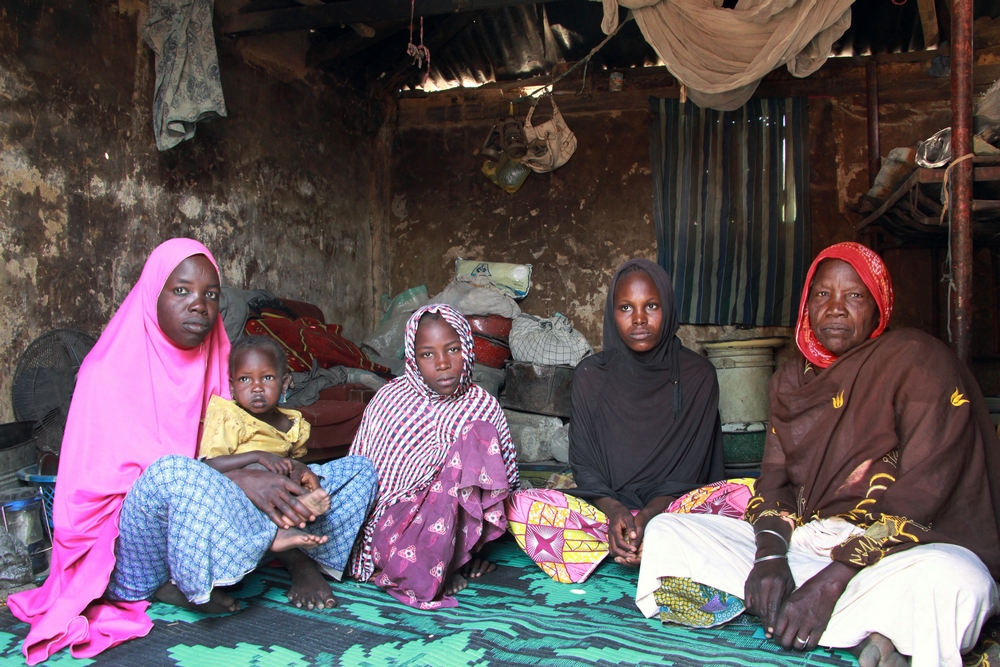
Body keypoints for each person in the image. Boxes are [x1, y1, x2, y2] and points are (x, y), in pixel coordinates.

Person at [8, 239, 377, 664]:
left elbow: (248, 443)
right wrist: (239, 477)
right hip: (136, 552)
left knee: (357, 471)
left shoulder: (219, 362)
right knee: (172, 472)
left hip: (216, 528)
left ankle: (293, 554)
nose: (199, 305)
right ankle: (268, 555)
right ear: (153, 294)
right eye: (181, 290)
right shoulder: (105, 374)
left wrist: (287, 472)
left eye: (211, 294)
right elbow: (107, 498)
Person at [636, 242, 1000, 667]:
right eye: (823, 294)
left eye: (855, 295)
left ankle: (823, 614)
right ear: (807, 306)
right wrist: (770, 557)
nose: (836, 308)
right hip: (810, 544)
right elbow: (774, 483)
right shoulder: (792, 379)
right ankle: (876, 629)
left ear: (879, 307)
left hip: (895, 553)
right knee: (667, 531)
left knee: (956, 583)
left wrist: (829, 584)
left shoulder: (918, 362)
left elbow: (923, 496)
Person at [506, 258, 728, 584]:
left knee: (737, 501)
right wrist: (615, 512)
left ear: (668, 308)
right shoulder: (590, 376)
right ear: (612, 314)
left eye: (651, 306)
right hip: (606, 512)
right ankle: (638, 543)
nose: (639, 319)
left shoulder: (698, 375)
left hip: (673, 510)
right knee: (520, 506)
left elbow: (692, 471)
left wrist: (649, 517)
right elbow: (585, 465)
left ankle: (635, 543)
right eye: (626, 308)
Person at [347, 304, 519, 609]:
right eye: (427, 354)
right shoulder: (389, 400)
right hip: (396, 528)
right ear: (412, 359)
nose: (442, 363)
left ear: (467, 349)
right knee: (435, 500)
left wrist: (479, 548)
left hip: (459, 528)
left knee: (478, 434)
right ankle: (433, 565)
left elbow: (504, 483)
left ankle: (457, 556)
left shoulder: (483, 405)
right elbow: (361, 476)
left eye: (453, 349)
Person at [199, 334, 331, 521]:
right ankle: (289, 515)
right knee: (258, 467)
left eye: (267, 378)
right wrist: (257, 456)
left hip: (282, 486)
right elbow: (208, 466)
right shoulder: (229, 417)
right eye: (245, 379)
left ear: (284, 384)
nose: (257, 388)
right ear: (232, 387)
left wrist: (299, 469)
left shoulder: (292, 422)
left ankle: (298, 509)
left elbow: (293, 461)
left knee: (336, 470)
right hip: (240, 495)